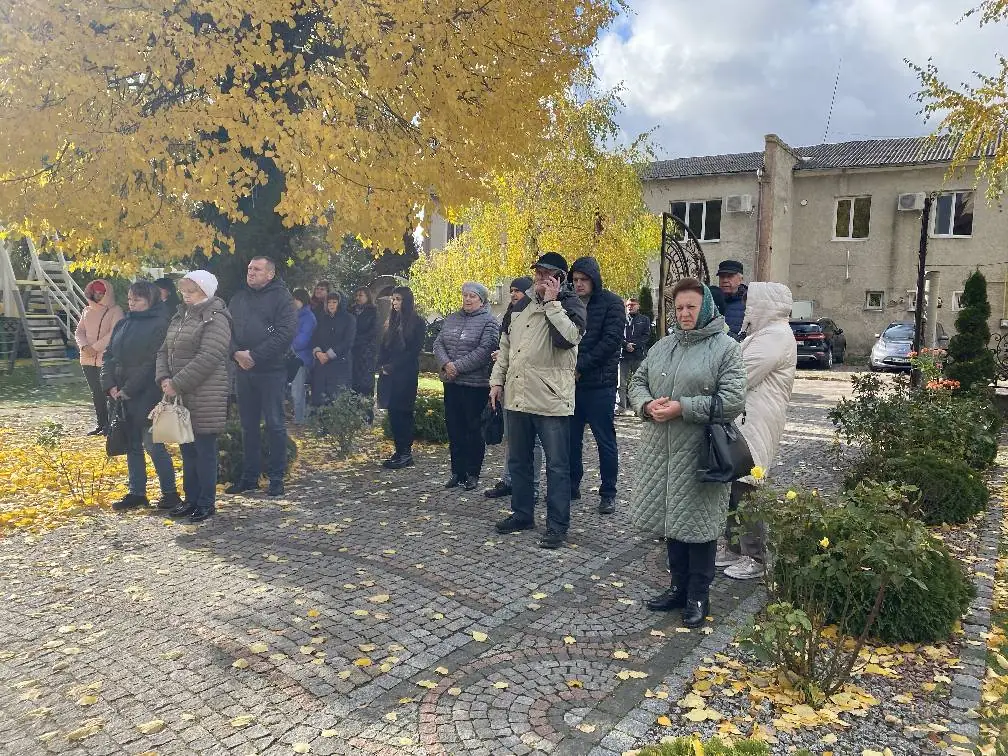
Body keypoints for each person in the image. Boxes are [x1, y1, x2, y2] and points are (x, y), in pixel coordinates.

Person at [628, 277, 747, 628]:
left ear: (705, 307)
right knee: (672, 521)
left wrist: (683, 407)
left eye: (691, 306)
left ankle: (698, 594)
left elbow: (732, 401)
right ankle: (677, 587)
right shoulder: (663, 345)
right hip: (661, 452)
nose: (684, 313)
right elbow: (637, 383)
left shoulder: (725, 348)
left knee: (700, 526)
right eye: (679, 307)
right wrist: (647, 405)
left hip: (700, 453)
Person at [490, 252, 586, 550]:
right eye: (539, 273)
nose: (542, 278)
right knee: (519, 460)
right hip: (517, 396)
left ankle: (557, 525)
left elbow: (570, 338)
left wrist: (552, 303)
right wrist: (496, 380)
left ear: (561, 277)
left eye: (549, 274)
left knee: (557, 466)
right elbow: (505, 346)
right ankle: (522, 514)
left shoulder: (571, 304)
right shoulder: (519, 305)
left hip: (551, 398)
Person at [717, 282, 797, 580]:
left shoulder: (775, 337)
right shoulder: (763, 334)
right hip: (745, 420)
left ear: (766, 304)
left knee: (747, 487)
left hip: (757, 422)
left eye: (752, 303)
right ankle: (735, 547)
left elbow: (738, 374)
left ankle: (756, 556)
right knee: (734, 484)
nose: (747, 308)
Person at [156, 271, 232, 523]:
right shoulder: (181, 315)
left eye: (191, 291)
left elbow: (209, 356)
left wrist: (177, 383)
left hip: (206, 395)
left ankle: (206, 502)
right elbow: (164, 350)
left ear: (206, 291)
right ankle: (190, 499)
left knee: (204, 452)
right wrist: (164, 378)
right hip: (181, 394)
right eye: (184, 291)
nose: (186, 296)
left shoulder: (216, 318)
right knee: (187, 451)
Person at [101, 281, 179, 512]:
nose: (132, 303)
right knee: (131, 443)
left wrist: (129, 389)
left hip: (147, 393)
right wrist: (110, 385)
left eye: (137, 300)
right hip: (120, 392)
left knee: (153, 443)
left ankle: (170, 493)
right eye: (130, 298)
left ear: (150, 300)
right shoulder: (124, 323)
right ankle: (137, 492)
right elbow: (109, 355)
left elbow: (152, 362)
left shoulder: (160, 324)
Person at [227, 256, 297, 497]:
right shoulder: (238, 299)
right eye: (249, 268)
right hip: (243, 371)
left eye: (257, 269)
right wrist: (236, 353)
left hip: (271, 371)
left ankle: (276, 478)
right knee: (248, 427)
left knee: (275, 425)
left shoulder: (282, 298)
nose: (251, 272)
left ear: (270, 274)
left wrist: (255, 355)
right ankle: (249, 477)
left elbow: (285, 334)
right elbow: (226, 330)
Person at [568, 256, 625, 515]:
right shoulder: (567, 303)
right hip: (571, 383)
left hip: (600, 383)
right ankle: (571, 485)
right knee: (571, 439)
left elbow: (611, 341)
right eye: (575, 280)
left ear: (594, 280)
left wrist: (581, 366)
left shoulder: (612, 303)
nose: (578, 284)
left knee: (605, 440)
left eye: (583, 280)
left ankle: (608, 492)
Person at [434, 281, 500, 491]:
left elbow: (485, 351)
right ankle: (457, 472)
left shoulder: (489, 322)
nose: (468, 299)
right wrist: (446, 364)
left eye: (473, 296)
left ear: (482, 300)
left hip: (474, 385)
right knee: (454, 429)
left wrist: (457, 366)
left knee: (473, 430)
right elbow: (438, 343)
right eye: (466, 295)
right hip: (452, 383)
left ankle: (472, 473)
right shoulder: (452, 318)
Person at [484, 277, 543, 501]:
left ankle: (534, 488)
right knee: (512, 437)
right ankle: (509, 481)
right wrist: (496, 381)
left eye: (519, 291)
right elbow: (506, 346)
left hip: (535, 385)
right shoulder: (510, 314)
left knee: (534, 441)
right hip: (511, 382)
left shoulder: (539, 312)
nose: (514, 295)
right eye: (511, 291)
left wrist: (512, 355)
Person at [377, 286, 426, 469]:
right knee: (393, 413)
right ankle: (399, 450)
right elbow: (384, 346)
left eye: (398, 299)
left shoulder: (417, 322)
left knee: (403, 412)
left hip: (405, 374)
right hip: (389, 375)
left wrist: (394, 366)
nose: (395, 303)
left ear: (406, 300)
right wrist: (381, 365)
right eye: (393, 299)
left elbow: (413, 351)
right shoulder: (391, 321)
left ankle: (405, 452)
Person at [75, 279, 124, 435]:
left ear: (107, 293)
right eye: (96, 292)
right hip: (87, 359)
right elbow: (79, 332)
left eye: (102, 292)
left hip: (106, 359)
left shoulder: (116, 310)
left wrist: (95, 348)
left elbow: (115, 333)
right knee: (96, 393)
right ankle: (100, 424)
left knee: (109, 392)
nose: (99, 295)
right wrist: (84, 347)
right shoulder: (86, 311)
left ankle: (112, 425)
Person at [311, 291, 356, 405]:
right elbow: (315, 338)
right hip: (322, 365)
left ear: (340, 303)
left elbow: (348, 342)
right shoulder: (322, 319)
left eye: (334, 302)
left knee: (337, 400)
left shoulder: (349, 319)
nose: (331, 305)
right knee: (320, 400)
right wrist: (318, 353)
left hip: (340, 365)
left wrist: (329, 355)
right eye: (329, 302)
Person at [619, 297, 652, 413]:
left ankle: (638, 408)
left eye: (633, 304)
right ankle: (621, 408)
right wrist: (625, 345)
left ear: (638, 306)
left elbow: (646, 336)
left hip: (638, 356)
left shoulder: (644, 320)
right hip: (623, 356)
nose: (630, 306)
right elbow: (617, 335)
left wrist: (635, 345)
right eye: (628, 305)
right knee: (621, 384)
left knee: (639, 383)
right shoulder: (621, 319)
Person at [290, 288, 317, 424]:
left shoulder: (308, 318)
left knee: (298, 389)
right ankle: (298, 417)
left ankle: (300, 419)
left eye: (295, 299)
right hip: (292, 357)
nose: (293, 302)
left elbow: (303, 340)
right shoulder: (294, 315)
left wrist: (287, 345)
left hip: (301, 358)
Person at [349, 287, 379, 410]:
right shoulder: (351, 311)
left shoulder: (372, 312)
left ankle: (367, 414)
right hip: (352, 352)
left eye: (361, 295)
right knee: (353, 384)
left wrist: (358, 340)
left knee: (365, 384)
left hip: (366, 352)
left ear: (367, 297)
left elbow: (373, 332)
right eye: (357, 295)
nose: (358, 298)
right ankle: (352, 413)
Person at [716, 260, 748, 338]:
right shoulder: (713, 300)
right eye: (722, 276)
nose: (725, 280)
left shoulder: (749, 302)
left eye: (729, 276)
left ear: (740, 279)